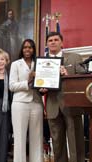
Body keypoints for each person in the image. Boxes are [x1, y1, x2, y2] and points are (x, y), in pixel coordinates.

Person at [40, 31, 85, 162]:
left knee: (75, 139)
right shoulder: (43, 62)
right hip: (53, 106)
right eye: (50, 40)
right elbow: (40, 84)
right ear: (47, 44)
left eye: (56, 40)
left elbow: (83, 78)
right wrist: (41, 89)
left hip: (72, 105)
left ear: (61, 43)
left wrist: (68, 76)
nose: (53, 42)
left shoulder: (75, 58)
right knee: (57, 142)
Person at [9, 39, 44, 162]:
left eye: (30, 47)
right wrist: (28, 82)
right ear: (22, 49)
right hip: (20, 103)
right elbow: (12, 86)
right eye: (25, 47)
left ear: (33, 49)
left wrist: (44, 88)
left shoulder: (39, 63)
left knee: (37, 137)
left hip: (37, 103)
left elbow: (43, 83)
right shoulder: (15, 64)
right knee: (19, 137)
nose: (27, 49)